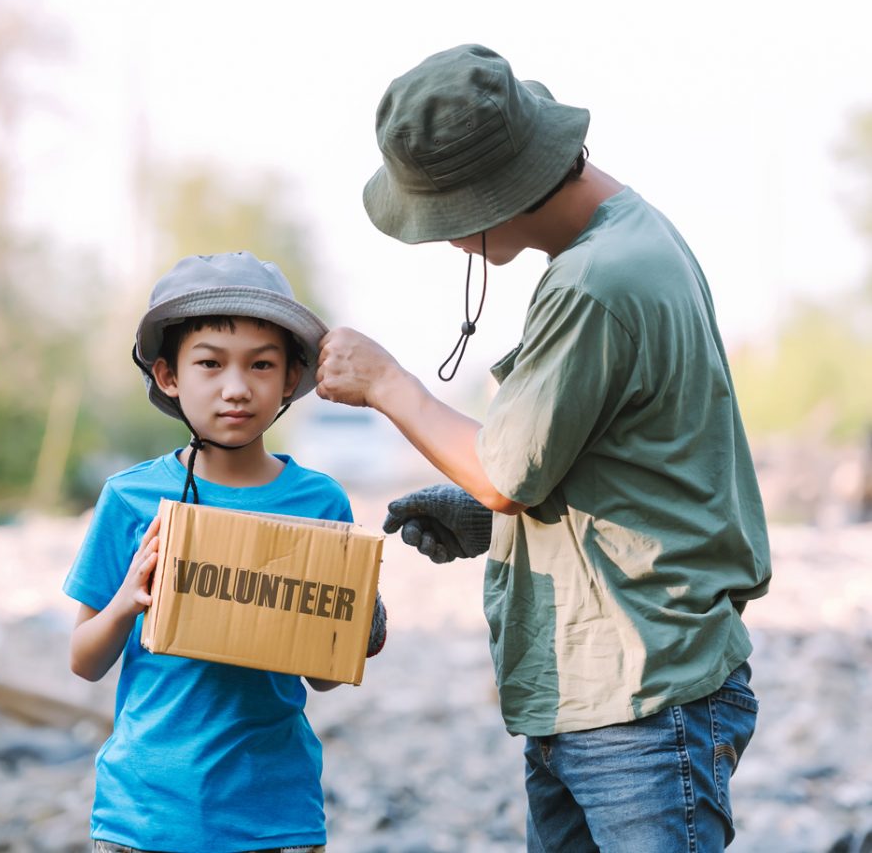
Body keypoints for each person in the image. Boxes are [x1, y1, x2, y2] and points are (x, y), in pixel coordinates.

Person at [316, 44, 771, 852]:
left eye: (445, 218)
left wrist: (387, 383)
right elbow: (636, 472)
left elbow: (504, 473)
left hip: (638, 701)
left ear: (495, 192)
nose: (443, 241)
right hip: (604, 693)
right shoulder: (632, 240)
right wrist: (490, 524)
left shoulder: (597, 280)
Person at [64, 251, 386, 853]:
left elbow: (324, 679)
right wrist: (126, 603)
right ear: (169, 376)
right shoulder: (131, 498)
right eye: (209, 364)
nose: (236, 388)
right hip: (142, 818)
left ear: (290, 378)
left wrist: (352, 620)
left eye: (261, 365)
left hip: (274, 816)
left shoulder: (319, 502)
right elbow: (84, 659)